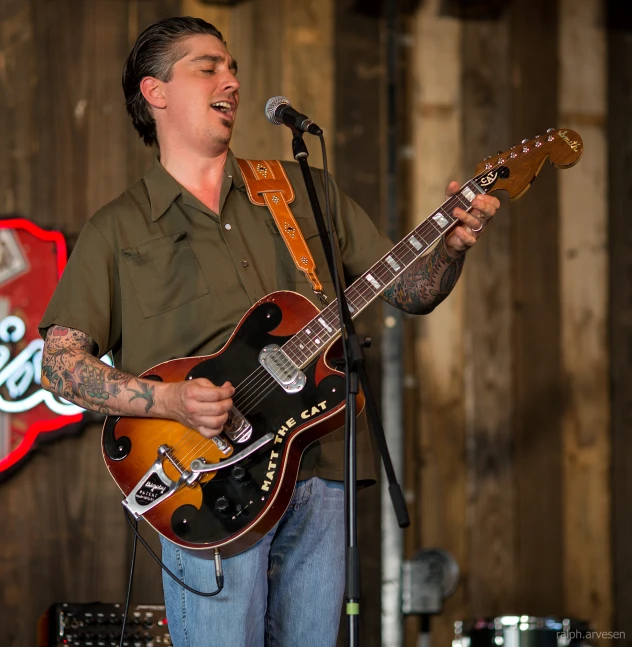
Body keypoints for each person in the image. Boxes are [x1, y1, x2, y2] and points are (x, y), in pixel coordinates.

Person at [39, 16, 499, 647]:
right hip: (206, 485)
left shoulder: (303, 191)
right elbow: (59, 364)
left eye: (232, 67)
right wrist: (170, 400)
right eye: (209, 66)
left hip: (323, 465)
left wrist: (448, 250)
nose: (230, 79)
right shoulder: (118, 228)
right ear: (156, 92)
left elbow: (409, 291)